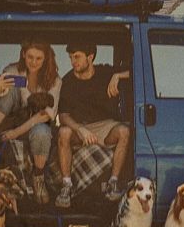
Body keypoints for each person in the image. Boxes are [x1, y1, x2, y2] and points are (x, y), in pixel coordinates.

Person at [53, 43, 134, 208]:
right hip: (79, 127)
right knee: (63, 132)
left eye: (77, 57)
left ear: (90, 57)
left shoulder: (105, 72)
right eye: (70, 57)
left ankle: (113, 183)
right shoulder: (68, 81)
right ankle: (66, 186)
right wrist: (80, 129)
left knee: (124, 131)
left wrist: (118, 75)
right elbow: (63, 116)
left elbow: (140, 71)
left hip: (105, 127)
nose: (73, 62)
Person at [0, 40, 61, 201]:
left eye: (39, 58)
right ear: (23, 55)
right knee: (9, 85)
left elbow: (46, 115)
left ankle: (38, 178)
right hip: (11, 119)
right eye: (30, 57)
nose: (33, 62)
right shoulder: (13, 70)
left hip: (36, 125)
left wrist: (15, 133)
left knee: (42, 131)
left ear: (46, 58)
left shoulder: (54, 80)